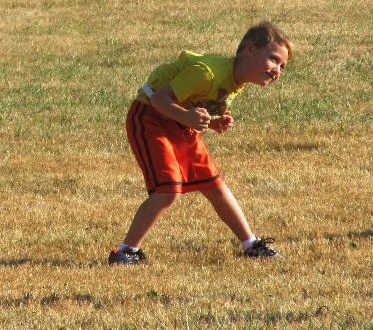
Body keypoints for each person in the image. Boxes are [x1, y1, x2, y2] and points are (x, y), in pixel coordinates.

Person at [108, 21, 292, 265]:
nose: (277, 70)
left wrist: (211, 123)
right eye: (273, 59)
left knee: (215, 185)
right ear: (249, 49)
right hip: (150, 117)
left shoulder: (236, 81)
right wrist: (186, 117)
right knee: (168, 190)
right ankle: (125, 251)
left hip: (178, 121)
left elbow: (193, 104)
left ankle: (250, 244)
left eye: (282, 66)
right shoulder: (207, 73)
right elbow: (159, 98)